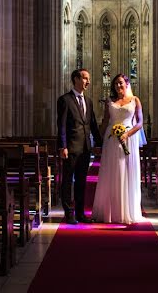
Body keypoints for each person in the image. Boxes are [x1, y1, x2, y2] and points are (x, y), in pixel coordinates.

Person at [92, 73, 143, 224]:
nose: (118, 86)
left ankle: (127, 210)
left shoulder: (135, 100)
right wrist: (97, 141)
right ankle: (110, 211)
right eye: (116, 84)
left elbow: (140, 123)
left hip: (129, 138)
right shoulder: (110, 101)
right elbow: (105, 121)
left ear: (127, 84)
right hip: (111, 139)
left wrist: (127, 134)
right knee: (111, 171)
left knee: (127, 170)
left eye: (121, 83)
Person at [57, 68, 102, 225]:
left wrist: (99, 143)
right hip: (70, 147)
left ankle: (80, 213)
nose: (88, 81)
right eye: (84, 78)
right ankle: (69, 214)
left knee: (82, 181)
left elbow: (93, 125)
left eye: (88, 79)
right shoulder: (65, 100)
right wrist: (62, 146)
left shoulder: (88, 102)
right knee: (68, 181)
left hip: (85, 148)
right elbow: (61, 126)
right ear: (75, 79)